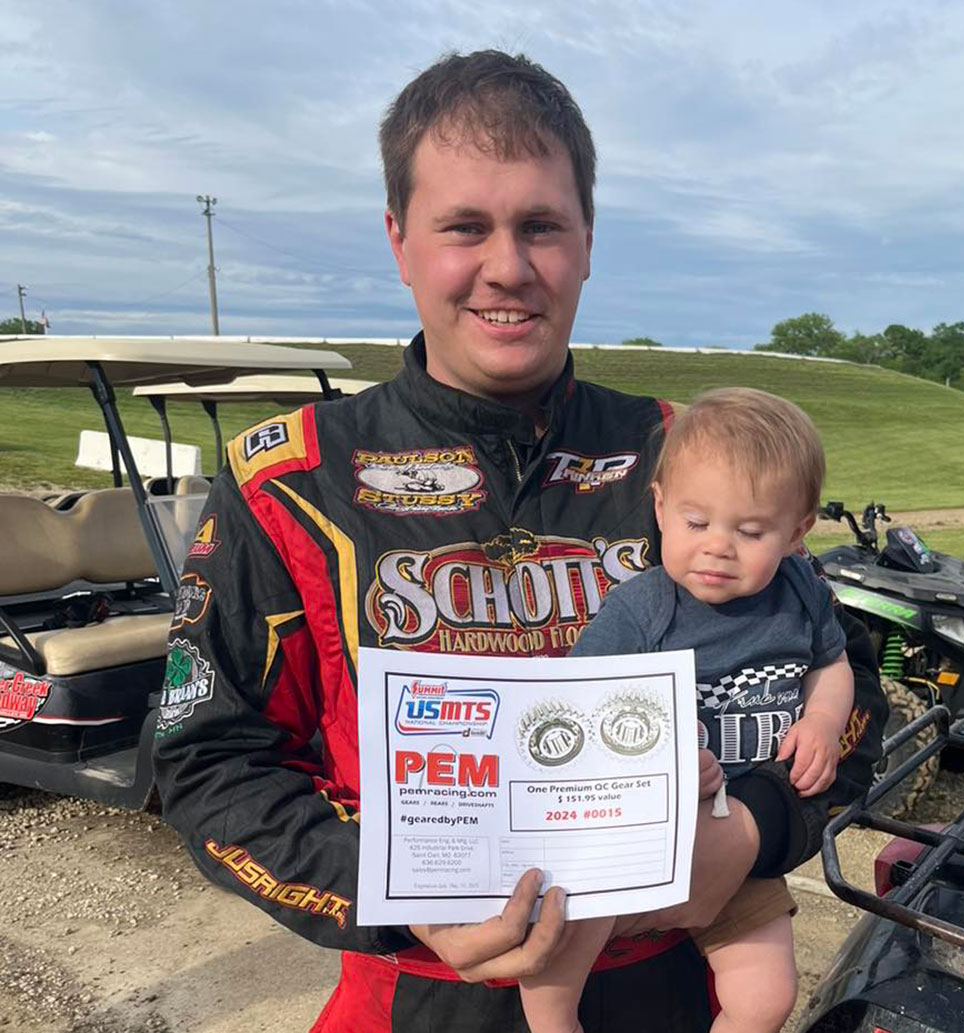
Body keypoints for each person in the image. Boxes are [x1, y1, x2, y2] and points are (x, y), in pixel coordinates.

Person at [153, 50, 885, 1033]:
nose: (508, 266)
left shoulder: (692, 455)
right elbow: (205, 761)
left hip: (672, 987)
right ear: (400, 238)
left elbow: (849, 689)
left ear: (586, 242)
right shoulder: (290, 480)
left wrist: (755, 828)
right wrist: (388, 888)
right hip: (419, 998)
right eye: (466, 227)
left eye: (541, 225)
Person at [518, 388, 855, 1033]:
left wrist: (822, 721)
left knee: (767, 998)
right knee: (567, 927)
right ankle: (553, 1022)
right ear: (661, 507)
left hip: (740, 841)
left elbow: (831, 665)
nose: (718, 547)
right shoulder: (642, 609)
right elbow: (575, 709)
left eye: (750, 531)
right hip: (633, 831)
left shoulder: (802, 593)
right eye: (697, 523)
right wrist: (660, 759)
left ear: (797, 534)